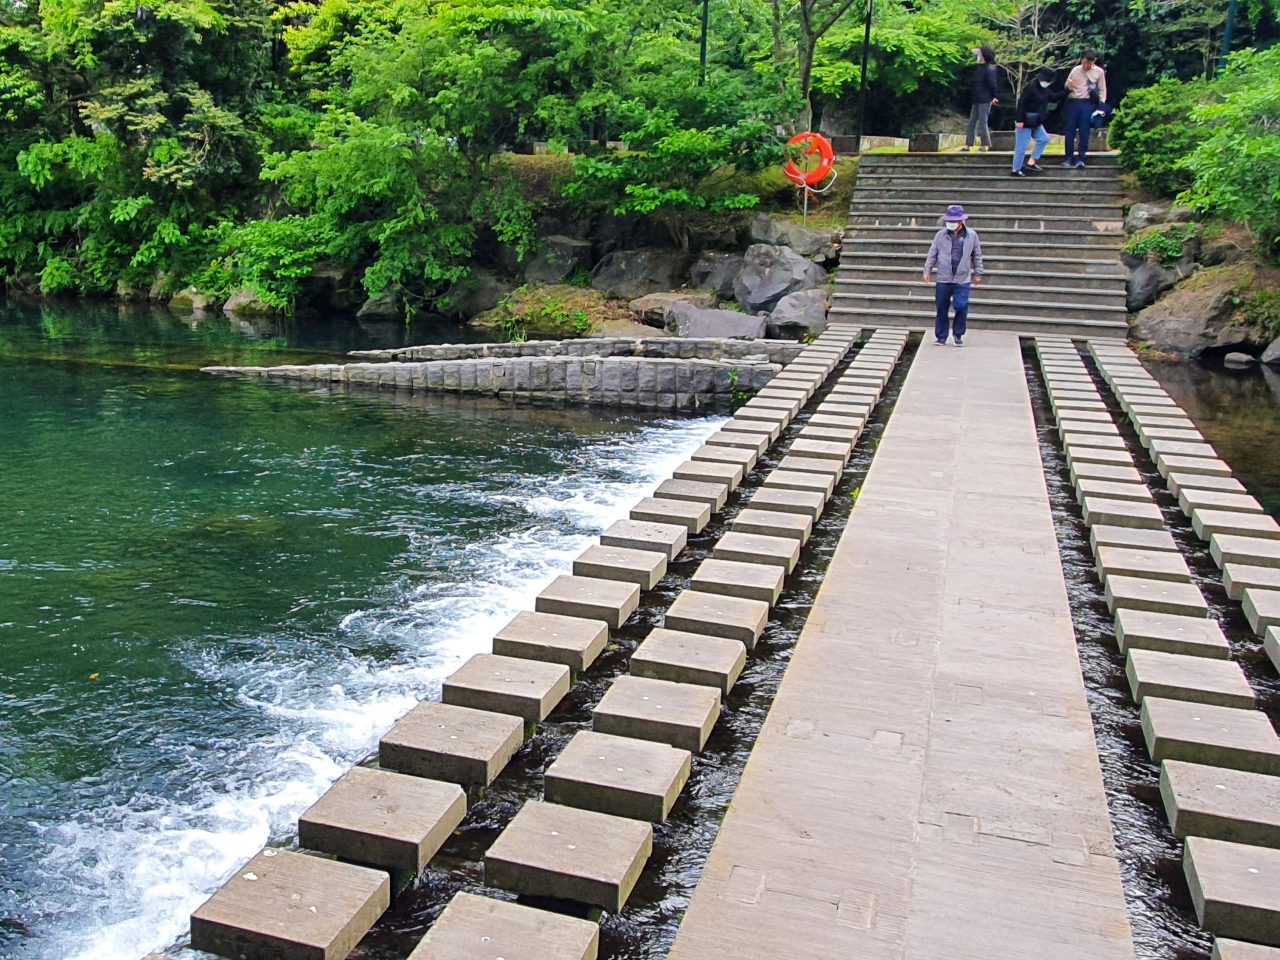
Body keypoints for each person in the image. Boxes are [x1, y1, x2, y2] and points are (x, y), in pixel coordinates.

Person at [922, 204, 983, 347]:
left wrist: (978, 273)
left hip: (962, 279)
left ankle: (958, 333)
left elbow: (977, 255)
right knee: (941, 307)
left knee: (961, 306)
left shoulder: (972, 235)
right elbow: (932, 254)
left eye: (954, 221)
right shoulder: (940, 235)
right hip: (944, 278)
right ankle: (941, 336)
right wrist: (927, 270)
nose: (951, 224)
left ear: (961, 222)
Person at [1011, 66, 1060, 178]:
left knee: (1044, 139)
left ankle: (1031, 162)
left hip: (1036, 121)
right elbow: (1022, 103)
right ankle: (1016, 169)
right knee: (1022, 146)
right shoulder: (1031, 86)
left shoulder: (1044, 89)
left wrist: (1068, 90)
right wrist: (1019, 120)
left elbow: (1053, 97)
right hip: (1025, 120)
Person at [1062, 50, 1106, 168]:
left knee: (1084, 130)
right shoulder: (1076, 70)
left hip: (1087, 102)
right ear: (1081, 60)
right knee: (1069, 130)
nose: (1086, 65)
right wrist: (1068, 85)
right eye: (1084, 63)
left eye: (1089, 63)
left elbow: (1102, 90)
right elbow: (1066, 84)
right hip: (1073, 101)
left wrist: (1101, 106)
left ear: (1093, 62)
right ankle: (1069, 157)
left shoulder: (1099, 72)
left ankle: (1081, 157)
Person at [962, 47, 1000, 152]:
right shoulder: (979, 68)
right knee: (971, 122)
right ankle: (968, 144)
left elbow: (993, 84)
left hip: (985, 98)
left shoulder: (990, 68)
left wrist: (995, 96)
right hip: (977, 98)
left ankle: (985, 144)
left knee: (983, 122)